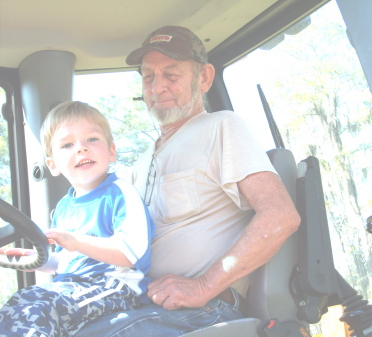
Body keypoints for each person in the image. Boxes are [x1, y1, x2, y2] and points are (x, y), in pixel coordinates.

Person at [80, 25, 301, 336]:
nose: (157, 88)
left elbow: (280, 216)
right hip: (147, 308)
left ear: (205, 78)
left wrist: (202, 286)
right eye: (148, 76)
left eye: (172, 75)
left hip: (205, 311)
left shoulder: (222, 127)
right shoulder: (140, 164)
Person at [0, 102, 155, 337]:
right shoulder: (64, 206)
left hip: (114, 286)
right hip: (73, 285)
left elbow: (131, 253)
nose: (81, 149)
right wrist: (38, 258)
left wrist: (75, 241)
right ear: (53, 165)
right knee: (20, 302)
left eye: (92, 139)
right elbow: (66, 262)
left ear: (111, 151)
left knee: (37, 305)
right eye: (67, 144)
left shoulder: (120, 193)